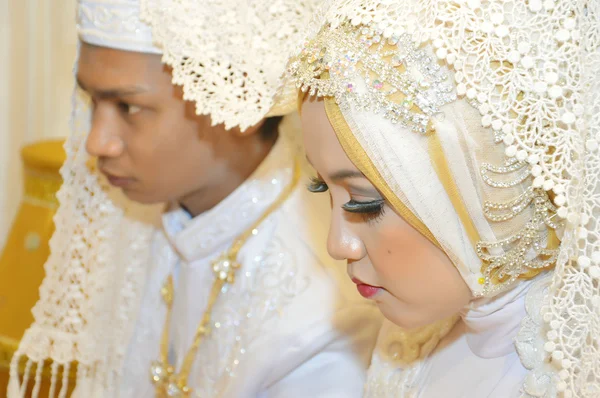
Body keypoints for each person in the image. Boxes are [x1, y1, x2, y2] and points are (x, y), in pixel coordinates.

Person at [8, 0, 381, 396]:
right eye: (91, 102)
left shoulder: (321, 326)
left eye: (128, 107)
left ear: (239, 99)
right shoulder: (131, 210)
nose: (96, 142)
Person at [290, 0, 599, 396]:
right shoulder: (418, 341)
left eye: (364, 203)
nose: (338, 245)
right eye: (322, 188)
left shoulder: (568, 380)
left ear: (487, 184)